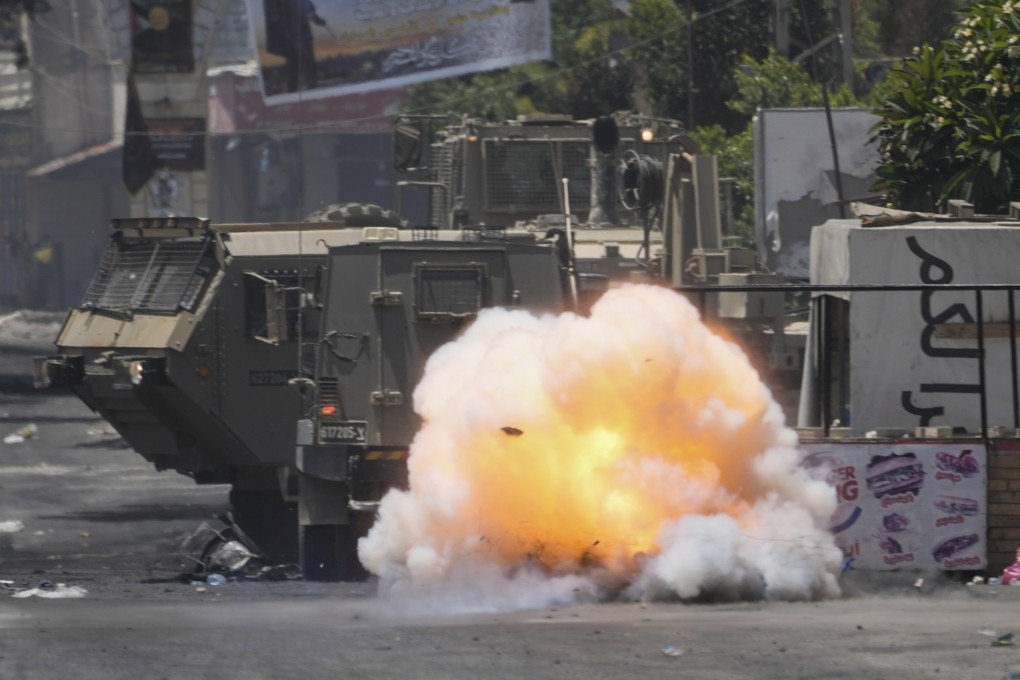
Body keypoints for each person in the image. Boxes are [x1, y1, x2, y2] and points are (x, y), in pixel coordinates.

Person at [264, 0, 327, 93]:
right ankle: (299, 87)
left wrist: (318, 20)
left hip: (296, 36)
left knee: (298, 64)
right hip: (292, 37)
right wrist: (318, 20)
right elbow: (309, 12)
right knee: (299, 63)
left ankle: (302, 87)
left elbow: (309, 11)